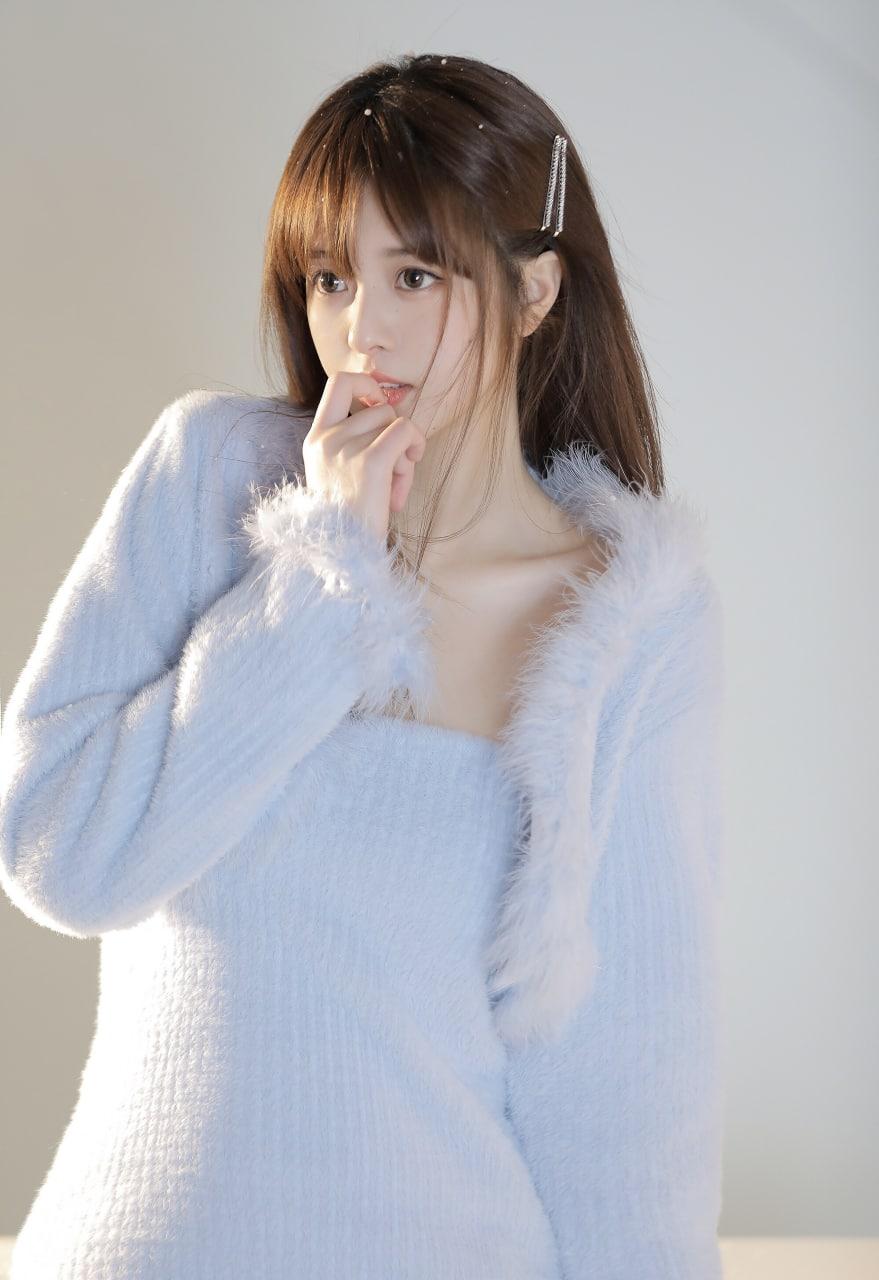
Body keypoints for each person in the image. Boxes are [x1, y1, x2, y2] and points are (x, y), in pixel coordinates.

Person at [0, 52, 727, 1280]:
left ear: (535, 288)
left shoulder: (624, 616)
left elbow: (628, 1080)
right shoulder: (207, 475)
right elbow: (58, 856)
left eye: (416, 275)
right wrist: (317, 578)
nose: (360, 330)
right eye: (332, 277)